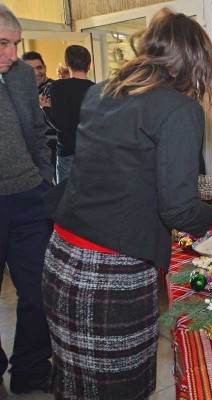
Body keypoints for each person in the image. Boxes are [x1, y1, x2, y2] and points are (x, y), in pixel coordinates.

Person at [42, 8, 212, 399]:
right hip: (112, 274)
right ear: (195, 63)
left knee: (74, 384)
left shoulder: (101, 92)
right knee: (121, 388)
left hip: (61, 258)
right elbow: (179, 210)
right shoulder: (179, 109)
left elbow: (126, 177)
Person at [0, 3, 54, 394]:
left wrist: (43, 179)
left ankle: (31, 368)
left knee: (39, 291)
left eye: (15, 44)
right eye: (3, 44)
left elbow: (37, 129)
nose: (12, 55)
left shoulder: (20, 75)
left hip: (30, 199)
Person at [49, 45, 94, 183]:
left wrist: (45, 108)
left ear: (67, 63)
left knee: (65, 199)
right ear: (89, 65)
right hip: (93, 153)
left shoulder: (58, 87)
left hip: (68, 151)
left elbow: (60, 124)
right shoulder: (97, 89)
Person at [22, 51, 59, 178]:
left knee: (54, 190)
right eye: (31, 69)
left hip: (53, 146)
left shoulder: (55, 87)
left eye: (39, 67)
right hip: (31, 148)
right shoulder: (21, 92)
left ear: (45, 67)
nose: (37, 72)